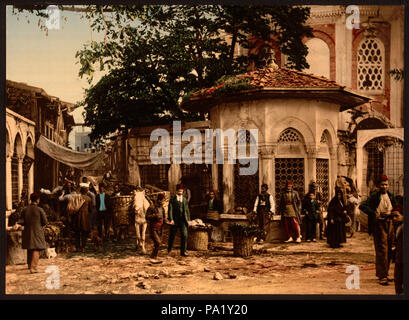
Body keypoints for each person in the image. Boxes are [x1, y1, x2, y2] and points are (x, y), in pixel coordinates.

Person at [359, 174, 398, 286]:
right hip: (379, 225)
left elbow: (396, 207)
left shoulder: (391, 196)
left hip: (390, 224)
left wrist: (392, 213)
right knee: (382, 250)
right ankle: (382, 276)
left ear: (388, 185)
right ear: (378, 185)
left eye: (386, 185)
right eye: (382, 185)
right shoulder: (375, 196)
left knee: (390, 249)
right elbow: (362, 206)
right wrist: (374, 213)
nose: (384, 187)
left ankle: (385, 273)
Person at [21, 193, 48, 273]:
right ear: (37, 200)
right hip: (37, 231)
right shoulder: (40, 210)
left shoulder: (25, 209)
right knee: (36, 249)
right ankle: (33, 268)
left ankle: (29, 265)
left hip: (27, 231)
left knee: (30, 248)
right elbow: (45, 222)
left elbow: (22, 221)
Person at [167, 184, 191, 257]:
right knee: (172, 235)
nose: (180, 192)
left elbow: (187, 210)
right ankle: (169, 249)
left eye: (181, 190)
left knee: (184, 235)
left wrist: (189, 220)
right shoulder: (172, 199)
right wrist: (171, 219)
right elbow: (170, 210)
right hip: (175, 220)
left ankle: (183, 251)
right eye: (179, 190)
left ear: (183, 191)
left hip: (183, 220)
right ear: (176, 191)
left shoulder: (184, 200)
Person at [146, 193, 166, 259]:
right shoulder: (152, 207)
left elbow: (164, 218)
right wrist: (155, 216)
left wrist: (168, 221)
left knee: (158, 243)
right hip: (153, 228)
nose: (163, 202)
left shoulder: (162, 208)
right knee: (158, 242)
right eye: (163, 201)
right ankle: (154, 256)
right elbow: (147, 216)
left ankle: (153, 256)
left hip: (160, 228)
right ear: (159, 200)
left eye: (164, 201)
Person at [73, 186, 92, 253]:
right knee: (84, 232)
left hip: (77, 216)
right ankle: (83, 247)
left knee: (77, 232)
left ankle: (77, 247)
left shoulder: (77, 197)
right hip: (85, 217)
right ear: (86, 192)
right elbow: (91, 209)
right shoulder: (88, 199)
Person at [393, 195, 404, 295]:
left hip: (402, 259)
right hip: (398, 259)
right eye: (393, 216)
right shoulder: (398, 227)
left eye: (397, 216)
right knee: (398, 280)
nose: (394, 219)